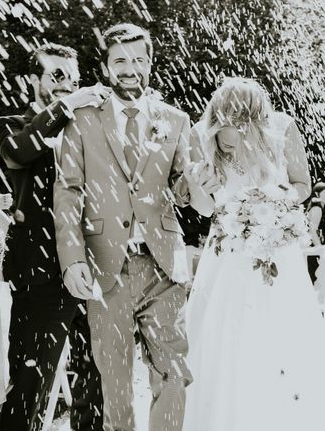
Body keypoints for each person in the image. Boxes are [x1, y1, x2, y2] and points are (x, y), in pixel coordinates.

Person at [54, 23, 216, 431]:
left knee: (174, 373)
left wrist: (195, 186)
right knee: (116, 384)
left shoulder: (175, 120)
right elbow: (68, 191)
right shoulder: (82, 120)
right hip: (105, 268)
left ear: (150, 63)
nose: (130, 68)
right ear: (107, 67)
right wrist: (71, 259)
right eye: (121, 60)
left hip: (163, 267)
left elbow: (184, 188)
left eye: (138, 60)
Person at [183, 77, 325, 430]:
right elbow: (203, 208)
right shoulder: (201, 136)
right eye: (225, 129)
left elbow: (302, 185)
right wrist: (197, 185)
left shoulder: (283, 128)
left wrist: (274, 207)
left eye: (241, 126)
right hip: (226, 254)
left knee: (282, 335)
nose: (233, 139)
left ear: (257, 120)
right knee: (223, 336)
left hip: (277, 251)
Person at [0, 43, 103, 431]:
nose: (66, 84)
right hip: (38, 271)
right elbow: (20, 154)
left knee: (96, 380)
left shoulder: (87, 126)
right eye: (56, 75)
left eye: (72, 78)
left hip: (92, 267)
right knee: (29, 385)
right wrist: (65, 106)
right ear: (31, 79)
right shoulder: (8, 124)